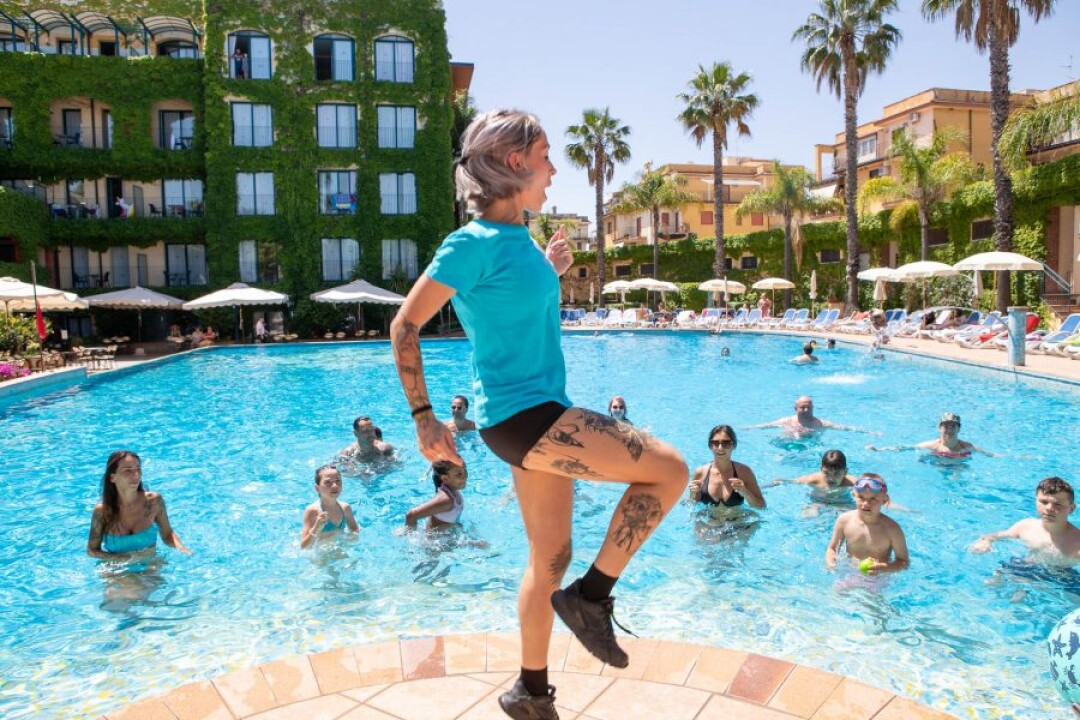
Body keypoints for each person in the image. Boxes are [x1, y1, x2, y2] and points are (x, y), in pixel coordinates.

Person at [389, 109, 687, 720]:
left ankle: (530, 691)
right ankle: (592, 598)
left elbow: (510, 304)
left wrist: (550, 270)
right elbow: (405, 324)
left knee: (549, 557)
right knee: (671, 471)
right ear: (515, 161)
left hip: (532, 417)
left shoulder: (517, 240)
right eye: (546, 155)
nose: (553, 169)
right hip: (525, 416)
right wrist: (423, 416)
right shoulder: (469, 243)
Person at [87, 450, 190, 558]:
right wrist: (120, 560)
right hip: (116, 566)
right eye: (128, 470)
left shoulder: (153, 502)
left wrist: (183, 550)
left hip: (150, 564)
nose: (136, 474)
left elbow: (168, 535)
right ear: (112, 477)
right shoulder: (102, 511)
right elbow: (92, 550)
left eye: (138, 469)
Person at [970, 477, 1080, 560]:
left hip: (1061, 576)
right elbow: (993, 536)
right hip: (1026, 567)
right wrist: (986, 542)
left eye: (1058, 504)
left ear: (1071, 508)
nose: (1049, 508)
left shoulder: (1077, 542)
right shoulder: (1025, 526)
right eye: (1044, 502)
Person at [825, 473, 908, 574]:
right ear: (854, 496)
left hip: (878, 578)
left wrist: (882, 568)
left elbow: (903, 561)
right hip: (849, 572)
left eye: (873, 499)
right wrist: (831, 564)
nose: (866, 504)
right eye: (861, 497)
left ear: (884, 500)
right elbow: (832, 548)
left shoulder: (892, 529)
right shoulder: (844, 521)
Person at [689, 425, 766, 510]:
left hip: (737, 518)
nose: (720, 448)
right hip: (708, 518)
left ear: (734, 446)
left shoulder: (744, 472)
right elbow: (693, 505)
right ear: (710, 446)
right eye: (715, 443)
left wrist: (745, 492)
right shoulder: (701, 472)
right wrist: (693, 495)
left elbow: (762, 506)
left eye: (726, 443)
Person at [867, 412, 992, 458]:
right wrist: (879, 450)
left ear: (959, 429)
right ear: (939, 428)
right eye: (946, 426)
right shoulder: (932, 446)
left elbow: (989, 454)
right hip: (937, 463)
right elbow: (905, 448)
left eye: (953, 426)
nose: (949, 430)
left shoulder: (967, 447)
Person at [300, 465, 360, 548]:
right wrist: (316, 527)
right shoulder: (313, 511)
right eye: (328, 482)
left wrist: (347, 540)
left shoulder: (345, 508)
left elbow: (355, 530)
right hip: (321, 553)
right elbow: (304, 547)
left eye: (338, 481)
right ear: (317, 488)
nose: (335, 486)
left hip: (340, 549)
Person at [406, 461, 468, 529]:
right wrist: (410, 534)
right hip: (435, 536)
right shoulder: (446, 500)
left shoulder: (454, 491)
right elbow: (411, 515)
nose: (465, 476)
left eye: (465, 470)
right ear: (445, 478)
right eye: (459, 474)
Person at [753, 395, 855, 436]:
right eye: (802, 407)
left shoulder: (821, 423)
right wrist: (748, 428)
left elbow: (843, 428)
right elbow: (766, 426)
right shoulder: (786, 421)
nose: (806, 410)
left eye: (809, 407)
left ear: (812, 408)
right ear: (795, 409)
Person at [792, 449, 857, 501]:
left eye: (836, 474)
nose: (831, 478)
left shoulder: (853, 483)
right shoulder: (812, 480)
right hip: (818, 501)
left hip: (841, 502)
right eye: (826, 473)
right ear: (821, 470)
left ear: (845, 472)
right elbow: (791, 482)